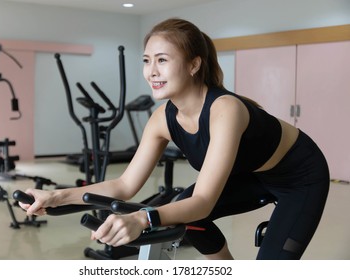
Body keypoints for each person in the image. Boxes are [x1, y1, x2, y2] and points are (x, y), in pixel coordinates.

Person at [20, 18, 330, 260]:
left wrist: (144, 218)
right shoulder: (162, 118)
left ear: (195, 64)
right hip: (250, 174)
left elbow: (204, 201)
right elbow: (124, 185)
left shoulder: (225, 109)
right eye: (146, 60)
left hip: (299, 177)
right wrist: (55, 197)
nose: (151, 71)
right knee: (186, 214)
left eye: (162, 60)